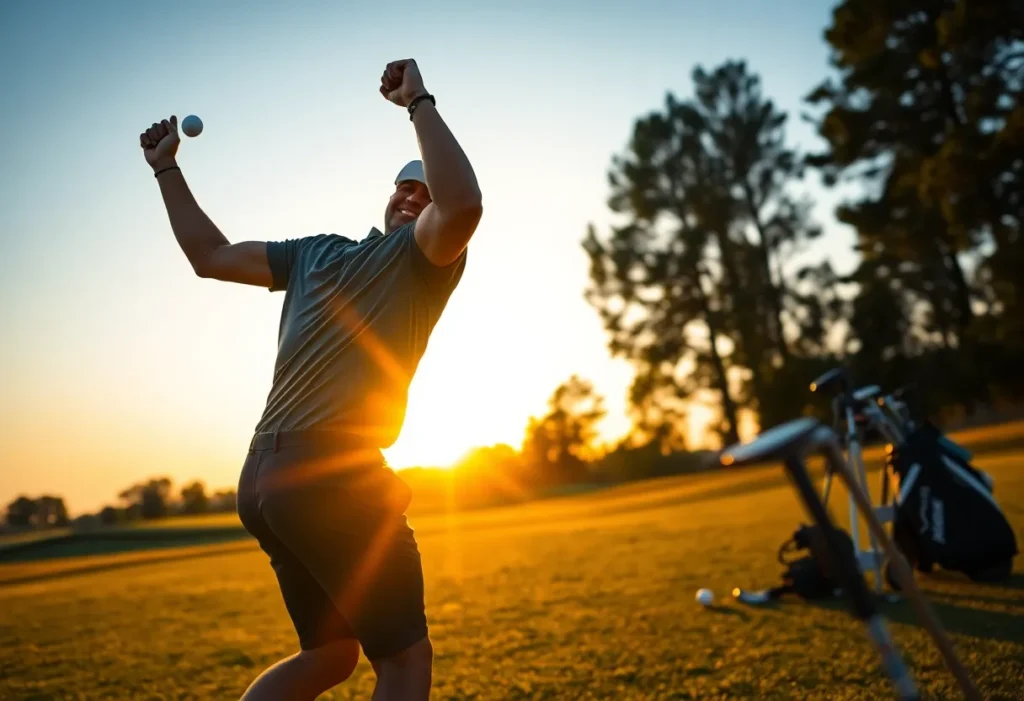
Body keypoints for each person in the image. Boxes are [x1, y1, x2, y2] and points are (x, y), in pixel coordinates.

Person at [139, 59, 482, 701]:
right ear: (386, 198)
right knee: (405, 663)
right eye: (403, 188)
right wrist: (166, 170)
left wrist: (420, 106)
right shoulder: (316, 251)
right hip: (324, 474)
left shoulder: (424, 259)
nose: (413, 196)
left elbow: (463, 202)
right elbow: (209, 257)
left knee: (330, 655)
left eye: (424, 191)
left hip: (266, 483)